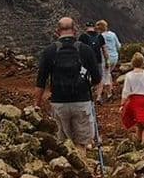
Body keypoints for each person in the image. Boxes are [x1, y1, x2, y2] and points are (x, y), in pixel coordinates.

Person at [36, 17, 102, 156]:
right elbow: (97, 78)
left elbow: (41, 80)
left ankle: (66, 170)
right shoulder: (86, 50)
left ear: (57, 32)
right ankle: (82, 169)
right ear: (75, 30)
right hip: (82, 101)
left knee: (61, 143)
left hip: (59, 102)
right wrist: (96, 95)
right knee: (81, 143)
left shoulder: (49, 51)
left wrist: (37, 104)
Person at [120, 52, 144, 146]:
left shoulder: (128, 75)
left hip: (134, 101)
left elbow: (125, 91)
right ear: (143, 63)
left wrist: (122, 104)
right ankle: (143, 144)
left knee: (139, 123)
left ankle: (137, 142)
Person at [79, 22, 107, 103]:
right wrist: (107, 60)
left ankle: (87, 95)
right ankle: (98, 96)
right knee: (100, 78)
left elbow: (79, 49)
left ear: (86, 27)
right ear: (94, 27)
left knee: (85, 77)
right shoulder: (99, 36)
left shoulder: (83, 36)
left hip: (85, 61)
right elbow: (104, 49)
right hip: (98, 60)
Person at [96, 20, 121, 102]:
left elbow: (100, 49)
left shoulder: (100, 37)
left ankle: (102, 95)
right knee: (108, 74)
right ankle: (109, 93)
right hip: (114, 57)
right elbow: (118, 46)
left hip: (106, 58)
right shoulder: (113, 34)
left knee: (103, 76)